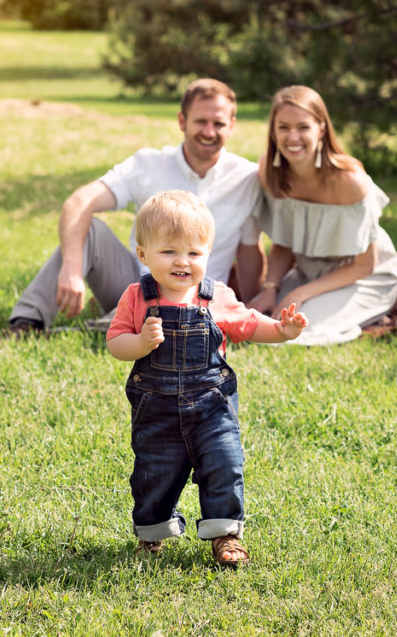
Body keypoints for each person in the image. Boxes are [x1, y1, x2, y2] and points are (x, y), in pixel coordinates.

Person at [107, 191, 308, 566]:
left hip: (212, 405)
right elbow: (116, 342)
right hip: (158, 410)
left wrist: (281, 330)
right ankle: (152, 534)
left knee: (225, 463)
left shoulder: (215, 296)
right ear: (143, 254)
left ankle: (225, 535)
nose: (182, 261)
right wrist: (139, 342)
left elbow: (249, 324)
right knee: (154, 471)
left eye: (194, 253)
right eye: (169, 252)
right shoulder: (137, 297)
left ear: (208, 256)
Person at [7, 78, 264, 336]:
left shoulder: (247, 178)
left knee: (170, 319)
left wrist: (252, 306)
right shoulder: (147, 164)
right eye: (200, 122)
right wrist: (72, 268)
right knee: (92, 229)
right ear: (182, 121)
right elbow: (79, 201)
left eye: (218, 123)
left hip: (197, 301)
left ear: (231, 126)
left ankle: (106, 328)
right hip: (134, 287)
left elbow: (251, 248)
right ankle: (26, 323)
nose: (209, 131)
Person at [245, 85, 397, 345]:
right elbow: (284, 242)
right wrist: (270, 289)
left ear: (321, 128)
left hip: (363, 278)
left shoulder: (349, 181)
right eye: (283, 127)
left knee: (298, 333)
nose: (292, 137)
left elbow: (365, 265)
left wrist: (299, 294)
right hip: (307, 273)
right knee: (262, 322)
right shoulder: (270, 172)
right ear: (273, 130)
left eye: (303, 127)